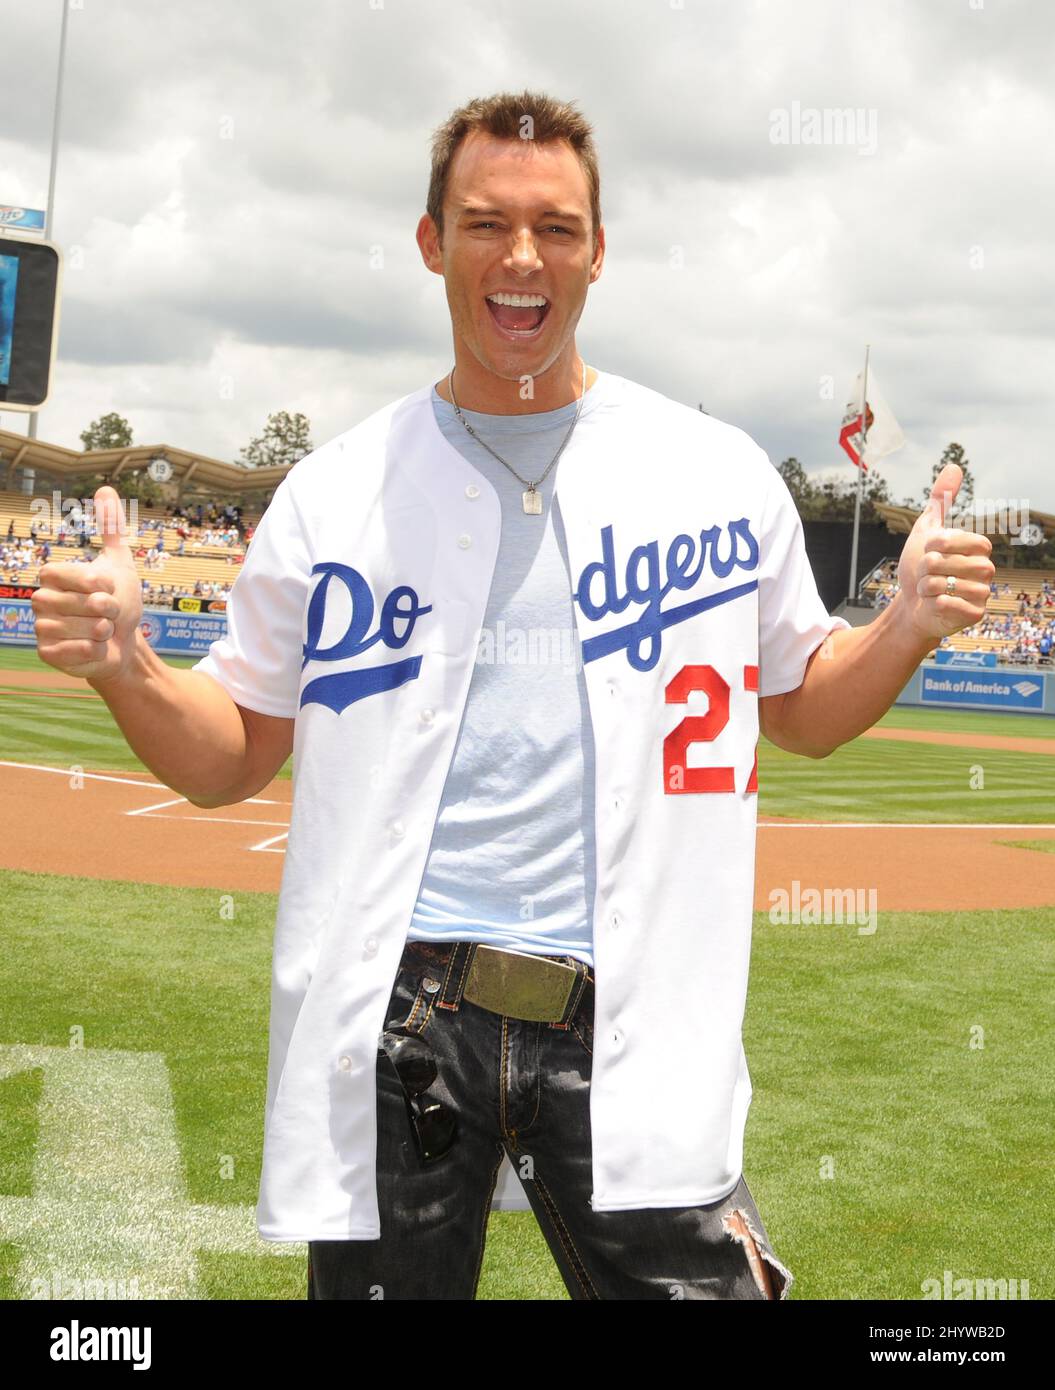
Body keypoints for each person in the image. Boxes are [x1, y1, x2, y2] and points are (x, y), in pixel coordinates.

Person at [29, 89, 995, 1303]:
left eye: (556, 227)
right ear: (432, 242)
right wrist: (126, 663)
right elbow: (228, 757)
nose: (521, 257)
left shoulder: (710, 472)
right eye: (484, 223)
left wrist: (903, 622)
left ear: (598, 250)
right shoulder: (333, 496)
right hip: (402, 1021)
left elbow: (799, 707)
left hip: (630, 1012)